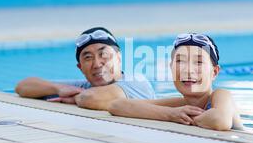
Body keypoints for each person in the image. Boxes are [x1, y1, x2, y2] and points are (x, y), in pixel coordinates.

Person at [108, 33, 243, 131]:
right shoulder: (180, 106)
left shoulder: (221, 96)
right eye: (180, 61)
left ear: (214, 72)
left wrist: (189, 118)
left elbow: (219, 120)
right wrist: (171, 114)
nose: (188, 70)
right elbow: (117, 105)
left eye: (199, 62)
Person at [15, 27, 155, 110]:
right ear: (80, 67)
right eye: (88, 58)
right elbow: (23, 86)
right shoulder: (84, 86)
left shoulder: (136, 82)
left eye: (104, 54)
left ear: (118, 58)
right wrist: (58, 89)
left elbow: (91, 98)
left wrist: (72, 98)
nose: (97, 64)